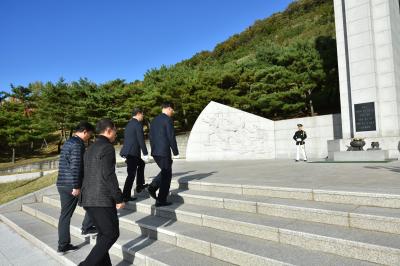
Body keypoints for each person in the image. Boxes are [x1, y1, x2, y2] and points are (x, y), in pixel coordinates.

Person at [78, 118, 125, 266]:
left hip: (88, 197)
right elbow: (108, 175)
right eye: (115, 131)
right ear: (109, 130)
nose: (116, 134)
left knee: (103, 234)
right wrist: (118, 197)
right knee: (111, 234)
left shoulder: (90, 147)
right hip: (101, 198)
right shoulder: (107, 147)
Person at [56, 121, 96, 254]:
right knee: (93, 200)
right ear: (84, 131)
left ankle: (63, 245)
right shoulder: (78, 144)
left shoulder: (68, 142)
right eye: (89, 134)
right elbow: (75, 166)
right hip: (71, 185)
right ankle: (87, 227)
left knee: (65, 215)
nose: (89, 137)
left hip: (62, 183)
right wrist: (76, 186)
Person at [147, 102, 179, 207]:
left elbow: (150, 137)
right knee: (167, 175)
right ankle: (161, 199)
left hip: (156, 151)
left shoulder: (154, 120)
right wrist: (175, 151)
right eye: (172, 110)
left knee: (166, 170)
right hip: (164, 151)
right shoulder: (167, 119)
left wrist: (153, 150)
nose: (172, 113)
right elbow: (171, 136)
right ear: (169, 108)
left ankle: (153, 186)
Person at [120, 108, 149, 202]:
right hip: (132, 153)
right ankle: (125, 195)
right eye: (142, 114)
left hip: (129, 152)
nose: (143, 116)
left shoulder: (129, 124)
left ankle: (140, 185)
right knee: (131, 175)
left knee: (141, 164)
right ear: (138, 114)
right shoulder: (137, 124)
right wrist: (145, 153)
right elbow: (141, 139)